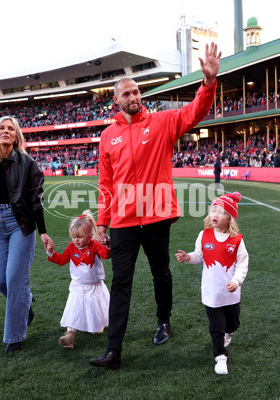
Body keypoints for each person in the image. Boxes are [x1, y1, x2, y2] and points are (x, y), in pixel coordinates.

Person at [90, 42, 221, 369]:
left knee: (160, 272)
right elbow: (105, 183)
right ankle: (113, 351)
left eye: (137, 92)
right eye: (127, 94)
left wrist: (208, 84)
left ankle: (164, 320)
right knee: (121, 282)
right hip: (121, 221)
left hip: (156, 215)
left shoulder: (162, 122)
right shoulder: (108, 137)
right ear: (116, 101)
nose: (134, 97)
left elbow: (194, 112)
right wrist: (103, 222)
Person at [0, 116, 53, 353]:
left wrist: (43, 232)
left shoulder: (27, 162)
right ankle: (25, 303)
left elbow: (37, 201)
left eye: (10, 129)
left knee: (15, 279)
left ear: (16, 136)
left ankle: (14, 337)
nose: (6, 131)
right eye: (1, 128)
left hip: (20, 224)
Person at [175, 192, 249, 375]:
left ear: (230, 218)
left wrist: (236, 281)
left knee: (233, 323)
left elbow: (242, 264)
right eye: (213, 210)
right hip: (211, 294)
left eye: (221, 212)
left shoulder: (237, 240)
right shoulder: (204, 235)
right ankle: (220, 357)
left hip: (231, 294)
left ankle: (229, 333)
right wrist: (187, 257)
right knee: (215, 327)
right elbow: (199, 256)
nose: (215, 215)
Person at [46, 210, 111, 349]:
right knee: (73, 309)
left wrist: (106, 244)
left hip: (94, 286)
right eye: (74, 237)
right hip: (77, 285)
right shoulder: (71, 247)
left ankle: (96, 326)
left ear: (90, 235)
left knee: (94, 309)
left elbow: (105, 255)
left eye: (80, 237)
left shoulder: (94, 245)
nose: (76, 240)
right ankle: (70, 334)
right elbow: (62, 259)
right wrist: (51, 253)